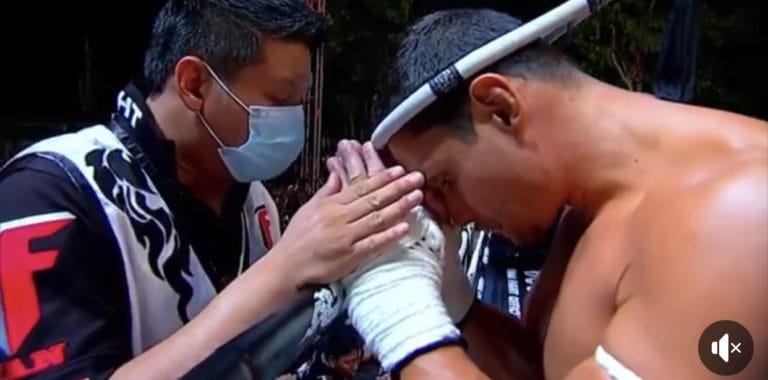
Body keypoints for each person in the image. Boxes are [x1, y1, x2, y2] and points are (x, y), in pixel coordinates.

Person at [332, 8, 767, 380]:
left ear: (500, 107)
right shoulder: (591, 210)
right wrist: (451, 294)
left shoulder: (734, 217)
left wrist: (403, 320)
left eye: (445, 181)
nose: (454, 217)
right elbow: (550, 370)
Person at [0, 1, 424, 379]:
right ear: (194, 84)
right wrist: (284, 268)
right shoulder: (48, 194)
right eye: (279, 99)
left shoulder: (253, 202)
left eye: (301, 101)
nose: (294, 120)